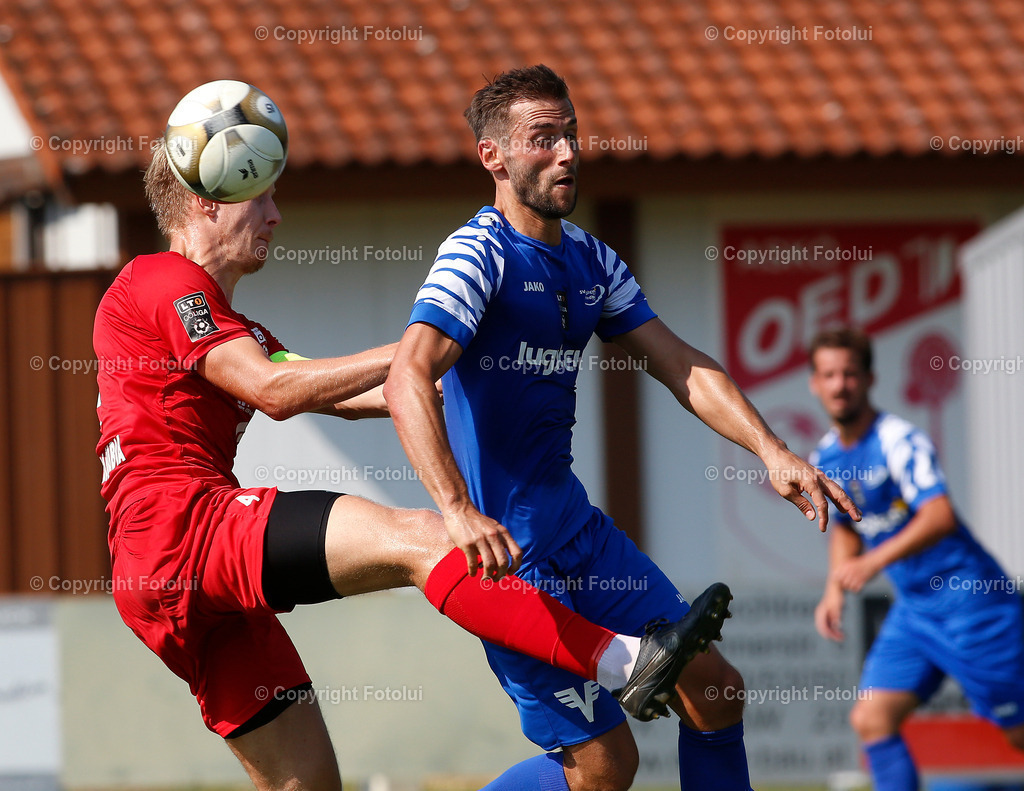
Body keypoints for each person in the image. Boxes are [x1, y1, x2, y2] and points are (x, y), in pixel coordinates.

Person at [92, 143, 726, 791]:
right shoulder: (163, 279)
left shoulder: (241, 330)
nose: (277, 216)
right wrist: (416, 350)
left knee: (306, 784)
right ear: (206, 201)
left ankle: (627, 660)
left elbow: (339, 390)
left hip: (170, 583)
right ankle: (624, 660)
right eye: (263, 198)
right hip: (184, 530)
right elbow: (273, 391)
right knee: (423, 537)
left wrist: (471, 374)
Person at [383, 64, 859, 791]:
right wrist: (455, 511)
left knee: (716, 687)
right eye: (543, 138)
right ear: (494, 156)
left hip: (581, 535)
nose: (568, 151)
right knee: (607, 765)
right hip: (514, 566)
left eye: (570, 133)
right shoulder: (476, 255)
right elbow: (406, 375)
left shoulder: (591, 261)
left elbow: (680, 365)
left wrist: (773, 449)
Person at [808, 327, 1024, 791]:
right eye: (829, 374)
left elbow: (940, 515)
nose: (839, 384)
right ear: (814, 383)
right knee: (871, 717)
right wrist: (833, 588)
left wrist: (872, 562)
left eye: (849, 373)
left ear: (869, 379)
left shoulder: (900, 440)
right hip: (915, 612)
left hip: (974, 606)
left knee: (1018, 733)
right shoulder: (825, 455)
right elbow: (846, 526)